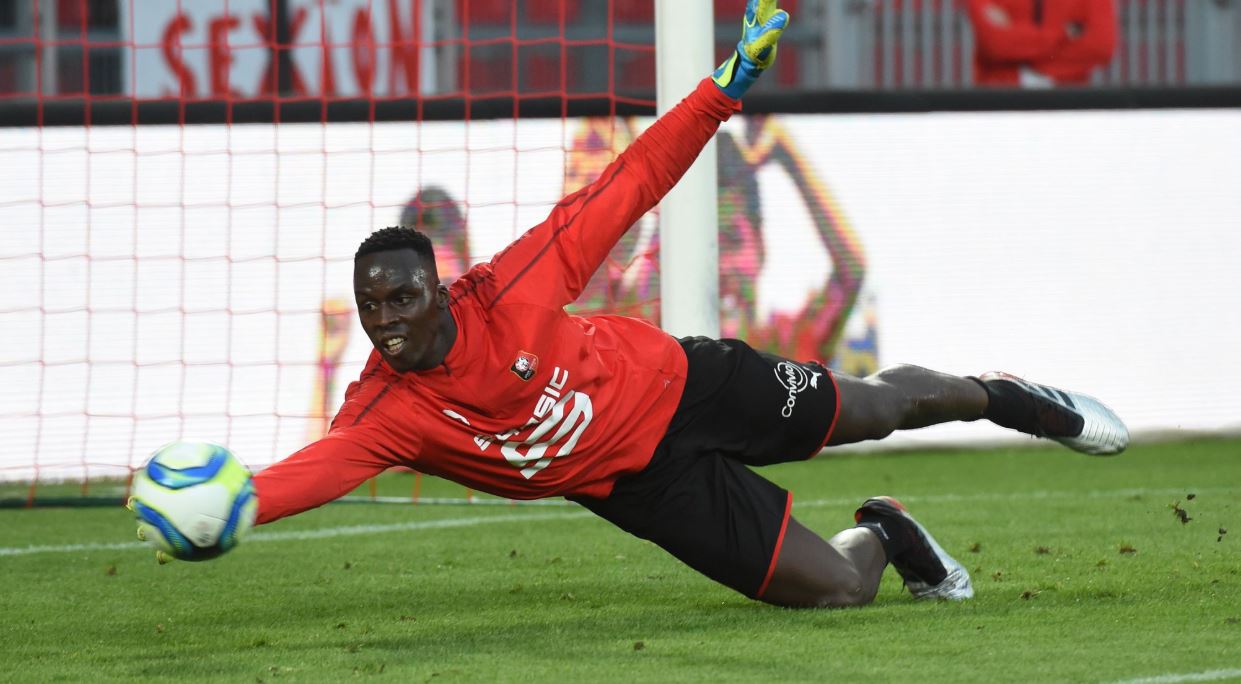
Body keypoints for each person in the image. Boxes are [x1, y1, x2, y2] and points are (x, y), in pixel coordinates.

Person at [141, 0, 1129, 608]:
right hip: (642, 490)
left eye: (400, 296)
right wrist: (232, 508)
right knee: (833, 592)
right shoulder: (385, 414)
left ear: (437, 285)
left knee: (880, 408)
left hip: (690, 385)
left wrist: (723, 87)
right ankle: (886, 531)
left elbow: (630, 183)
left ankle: (1004, 397)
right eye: (371, 308)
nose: (386, 318)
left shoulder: (515, 287)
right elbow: (312, 472)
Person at [967, 0, 1117, 87]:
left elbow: (1100, 46)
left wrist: (1017, 40)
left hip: (1066, 109)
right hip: (1000, 108)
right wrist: (1063, 34)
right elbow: (997, 44)